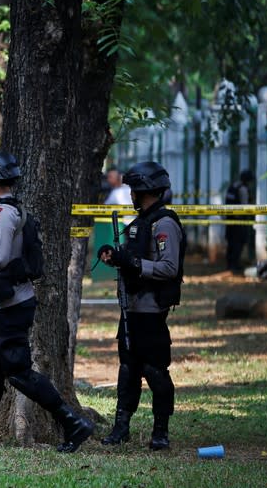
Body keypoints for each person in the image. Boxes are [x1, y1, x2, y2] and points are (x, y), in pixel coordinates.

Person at [0, 150, 93, 453]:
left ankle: (73, 422)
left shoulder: (3, 213)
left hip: (12, 306)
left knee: (18, 371)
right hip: (1, 304)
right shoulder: (2, 210)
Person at [96, 161, 186, 451]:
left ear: (144, 190)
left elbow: (169, 267)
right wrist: (115, 255)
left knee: (155, 369)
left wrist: (133, 263)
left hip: (151, 310)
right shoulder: (140, 222)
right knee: (128, 368)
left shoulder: (164, 223)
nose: (131, 194)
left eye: (134, 189)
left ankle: (160, 432)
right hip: (131, 309)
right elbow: (133, 257)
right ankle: (121, 426)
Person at [224, 169, 254, 274]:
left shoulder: (233, 186)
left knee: (231, 243)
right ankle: (234, 265)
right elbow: (245, 206)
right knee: (238, 243)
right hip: (238, 221)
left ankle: (230, 264)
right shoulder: (243, 189)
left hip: (229, 220)